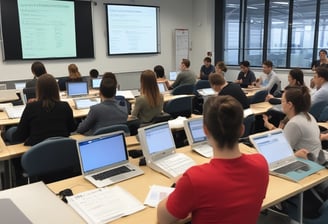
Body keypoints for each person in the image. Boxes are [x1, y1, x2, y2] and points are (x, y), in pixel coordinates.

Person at [157, 95, 269, 224]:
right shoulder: (261, 163)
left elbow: (163, 219)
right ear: (242, 130)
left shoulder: (194, 179)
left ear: (205, 130)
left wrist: (180, 186)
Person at [11, 74, 76, 146]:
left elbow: (20, 136)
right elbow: (72, 128)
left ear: (38, 89)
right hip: (62, 148)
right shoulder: (65, 106)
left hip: (37, 151)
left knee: (11, 131)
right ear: (56, 88)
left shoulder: (31, 107)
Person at [280, 86, 322, 160]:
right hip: (318, 158)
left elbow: (283, 154)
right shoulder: (308, 116)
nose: (281, 104)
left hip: (310, 163)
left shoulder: (294, 124)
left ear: (290, 105)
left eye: (283, 101)